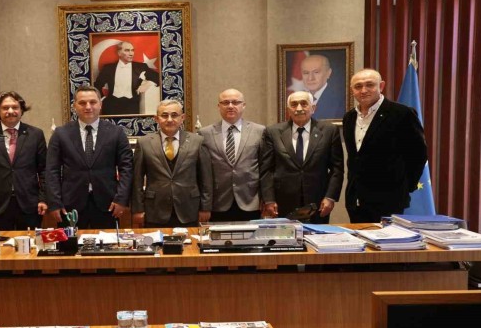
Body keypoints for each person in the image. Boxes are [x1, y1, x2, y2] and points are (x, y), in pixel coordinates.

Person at [342, 68, 428, 223]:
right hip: (356, 200)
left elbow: (418, 155)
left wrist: (404, 187)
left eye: (369, 85)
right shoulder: (349, 117)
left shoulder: (402, 113)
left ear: (381, 86)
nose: (363, 90)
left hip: (390, 199)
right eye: (358, 86)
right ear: (352, 90)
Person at [46, 85, 133, 229]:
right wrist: (54, 202)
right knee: (71, 243)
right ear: (74, 106)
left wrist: (121, 199)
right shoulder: (61, 134)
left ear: (100, 104)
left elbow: (126, 168)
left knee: (107, 242)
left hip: (108, 204)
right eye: (82, 103)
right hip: (70, 205)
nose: (88, 107)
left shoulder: (116, 133)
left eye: (93, 102)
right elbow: (52, 171)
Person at [260, 91, 344, 222]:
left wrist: (330, 197)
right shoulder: (273, 132)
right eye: (294, 105)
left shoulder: (329, 131)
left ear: (313, 108)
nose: (299, 108)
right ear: (288, 110)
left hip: (318, 201)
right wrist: (269, 199)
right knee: (286, 234)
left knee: (317, 233)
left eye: (304, 104)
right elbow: (267, 169)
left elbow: (337, 169)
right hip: (283, 201)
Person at [0, 91, 47, 230]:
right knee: (0, 243)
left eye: (15, 107)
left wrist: (43, 198)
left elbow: (44, 170)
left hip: (30, 204)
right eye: (5, 108)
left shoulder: (36, 134)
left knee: (30, 243)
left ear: (21, 110)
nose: (10, 111)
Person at [131, 99, 212, 227]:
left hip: (189, 208)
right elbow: (137, 180)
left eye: (174, 115)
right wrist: (138, 209)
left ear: (182, 118)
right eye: (164, 115)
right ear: (156, 119)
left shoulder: (197, 142)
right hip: (155, 210)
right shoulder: (144, 143)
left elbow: (206, 179)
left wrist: (205, 207)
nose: (169, 119)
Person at [199, 89, 265, 221]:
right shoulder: (205, 133)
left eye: (235, 102)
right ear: (219, 106)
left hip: (251, 201)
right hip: (218, 202)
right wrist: (204, 205)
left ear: (243, 105)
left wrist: (266, 199)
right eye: (225, 102)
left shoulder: (259, 131)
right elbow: (203, 172)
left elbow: (264, 167)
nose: (230, 106)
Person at [94, 41, 159, 116]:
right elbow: (97, 85)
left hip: (133, 107)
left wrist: (149, 83)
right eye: (127, 50)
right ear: (119, 53)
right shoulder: (108, 68)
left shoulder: (141, 67)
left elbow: (158, 78)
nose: (131, 54)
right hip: (111, 107)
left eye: (132, 50)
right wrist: (101, 100)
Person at [300, 54, 345, 120]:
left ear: (328, 73)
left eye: (316, 72)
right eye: (306, 73)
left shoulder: (340, 101)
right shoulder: (298, 98)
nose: (310, 78)